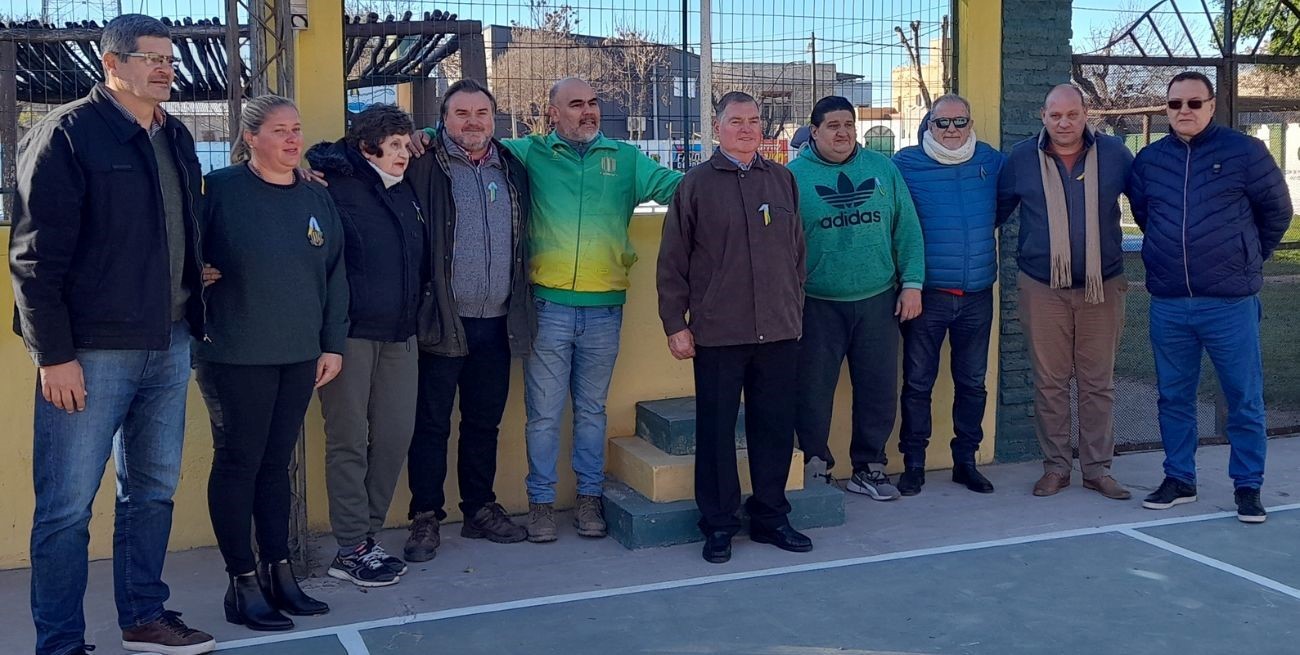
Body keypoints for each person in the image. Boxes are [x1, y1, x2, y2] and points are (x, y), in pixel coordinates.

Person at [8, 14, 215, 655]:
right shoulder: (67, 133)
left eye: (169, 59)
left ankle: (144, 617)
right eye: (150, 58)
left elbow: (173, 222)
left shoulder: (176, 135)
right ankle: (61, 642)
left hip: (170, 338)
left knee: (151, 492)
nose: (164, 69)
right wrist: (55, 355)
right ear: (112, 64)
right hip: (91, 352)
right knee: (66, 509)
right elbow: (34, 258)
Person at [497, 78, 682, 542]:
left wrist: (737, 173)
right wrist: (426, 136)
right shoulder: (530, 153)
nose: (588, 112)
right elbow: (471, 143)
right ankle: (540, 503)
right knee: (543, 414)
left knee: (592, 410)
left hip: (604, 309)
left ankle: (589, 499)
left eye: (593, 103)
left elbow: (682, 189)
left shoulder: (625, 160)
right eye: (575, 104)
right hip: (548, 306)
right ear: (552, 111)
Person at [197, 95, 347, 631]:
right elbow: (179, 252)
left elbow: (334, 274)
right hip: (235, 352)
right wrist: (197, 274)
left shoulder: (315, 195)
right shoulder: (219, 190)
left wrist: (332, 344)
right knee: (239, 462)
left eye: (297, 130)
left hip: (299, 352)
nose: (291, 139)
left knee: (276, 464)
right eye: (279, 130)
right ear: (249, 137)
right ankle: (241, 583)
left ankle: (279, 573)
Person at [1129, 71, 1293, 523]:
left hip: (1229, 303)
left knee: (1243, 397)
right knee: (1174, 396)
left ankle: (1248, 486)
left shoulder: (1245, 152)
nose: (1184, 111)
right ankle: (1179, 478)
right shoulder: (1149, 160)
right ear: (1166, 109)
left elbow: (1277, 212)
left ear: (1212, 105)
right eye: (1175, 104)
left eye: (1194, 103)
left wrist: (1246, 257)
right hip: (1170, 304)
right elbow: (1147, 215)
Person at [657, 91, 812, 564]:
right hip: (719, 332)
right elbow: (672, 262)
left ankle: (770, 516)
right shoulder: (696, 185)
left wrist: (793, 308)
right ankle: (719, 524)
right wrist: (674, 324)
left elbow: (798, 254)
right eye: (736, 121)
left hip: (779, 332)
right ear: (716, 126)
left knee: (774, 428)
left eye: (754, 121)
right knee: (717, 431)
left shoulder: (783, 180)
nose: (747, 129)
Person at [401, 79, 532, 562]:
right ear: (443, 118)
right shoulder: (423, 163)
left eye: (481, 113)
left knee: (483, 423)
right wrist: (414, 135)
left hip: (497, 322)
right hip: (440, 320)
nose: (472, 122)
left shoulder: (512, 167)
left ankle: (479, 508)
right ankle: (425, 516)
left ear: (493, 118)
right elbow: (346, 155)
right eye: (461, 113)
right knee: (430, 424)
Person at [304, 104, 425, 586]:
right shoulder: (335, 183)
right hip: (348, 336)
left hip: (401, 333)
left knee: (395, 435)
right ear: (366, 147)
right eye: (392, 145)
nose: (402, 154)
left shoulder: (406, 191)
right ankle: (351, 546)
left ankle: (365, 537)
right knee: (348, 440)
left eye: (405, 144)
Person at [996, 84, 1132, 500]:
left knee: (1097, 383)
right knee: (1050, 382)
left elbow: (1148, 208)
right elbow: (995, 213)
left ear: (1086, 114)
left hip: (1102, 285)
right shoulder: (1021, 158)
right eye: (1055, 116)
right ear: (1043, 115)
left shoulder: (1115, 155)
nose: (1064, 123)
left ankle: (1097, 469)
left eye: (1072, 115)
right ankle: (1056, 467)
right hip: (1042, 287)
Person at [787, 95, 925, 501]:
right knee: (812, 390)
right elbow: (780, 247)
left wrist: (913, 283)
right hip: (816, 304)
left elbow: (908, 231)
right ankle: (815, 465)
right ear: (814, 132)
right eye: (832, 125)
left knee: (878, 389)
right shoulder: (792, 178)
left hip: (878, 300)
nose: (842, 132)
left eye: (848, 124)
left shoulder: (883, 170)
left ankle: (870, 467)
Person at [892, 94, 1005, 495]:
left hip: (977, 295)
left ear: (971, 123)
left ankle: (966, 462)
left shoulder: (990, 162)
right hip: (927, 297)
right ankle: (914, 464)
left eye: (961, 122)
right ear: (929, 125)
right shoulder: (905, 165)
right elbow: (894, 221)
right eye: (943, 123)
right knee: (918, 382)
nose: (952, 130)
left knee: (972, 383)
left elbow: (1003, 207)